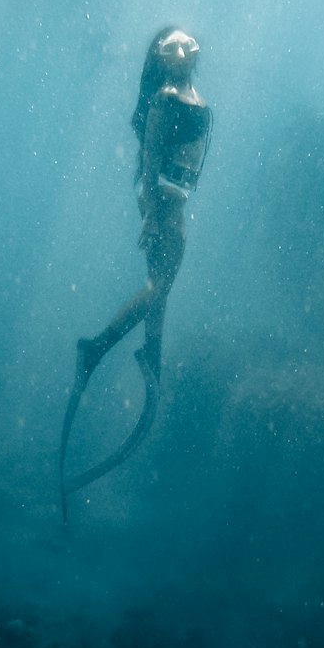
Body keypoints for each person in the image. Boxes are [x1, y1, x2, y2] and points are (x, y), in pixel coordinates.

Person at [59, 27, 212, 518]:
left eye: (188, 48)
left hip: (173, 201)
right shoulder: (167, 98)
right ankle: (100, 346)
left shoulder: (185, 95)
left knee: (162, 288)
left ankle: (149, 350)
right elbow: (149, 154)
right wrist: (148, 210)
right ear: (163, 59)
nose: (184, 54)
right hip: (163, 203)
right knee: (160, 286)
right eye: (174, 49)